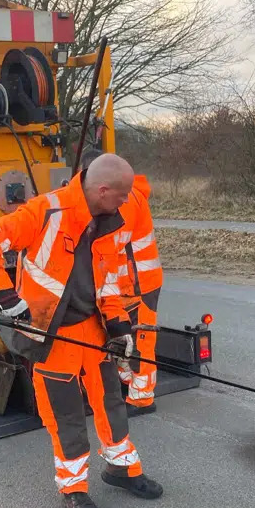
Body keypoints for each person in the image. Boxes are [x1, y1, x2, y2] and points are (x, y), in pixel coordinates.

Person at [0, 153, 163, 508]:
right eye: (121, 195)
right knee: (66, 416)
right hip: (50, 335)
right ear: (102, 189)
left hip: (93, 331)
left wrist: (120, 326)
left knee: (110, 403)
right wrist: (5, 295)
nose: (126, 203)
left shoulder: (108, 220)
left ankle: (121, 469)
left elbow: (107, 279)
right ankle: (74, 489)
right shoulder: (45, 212)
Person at [80, 148, 163, 412]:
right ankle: (129, 382)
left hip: (138, 283)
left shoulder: (126, 201)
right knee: (124, 339)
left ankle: (142, 399)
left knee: (141, 341)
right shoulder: (121, 197)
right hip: (125, 283)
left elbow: (110, 246)